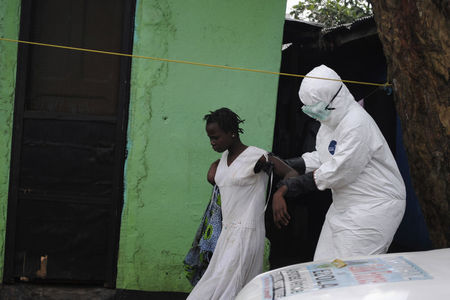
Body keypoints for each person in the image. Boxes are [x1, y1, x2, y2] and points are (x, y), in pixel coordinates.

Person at [272, 65, 406, 261]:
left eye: (316, 108)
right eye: (308, 109)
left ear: (335, 99)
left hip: (374, 205)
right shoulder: (329, 124)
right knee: (323, 265)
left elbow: (339, 170)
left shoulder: (356, 124)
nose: (313, 114)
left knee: (349, 272)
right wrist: (288, 163)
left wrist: (288, 187)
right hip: (344, 205)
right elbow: (323, 157)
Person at [187, 108, 297, 300]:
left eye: (216, 137)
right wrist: (213, 172)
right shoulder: (222, 160)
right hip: (227, 233)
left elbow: (292, 173)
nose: (212, 142)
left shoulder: (257, 156)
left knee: (221, 288)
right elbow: (225, 182)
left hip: (247, 232)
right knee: (226, 288)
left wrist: (280, 194)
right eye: (209, 138)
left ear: (232, 133)